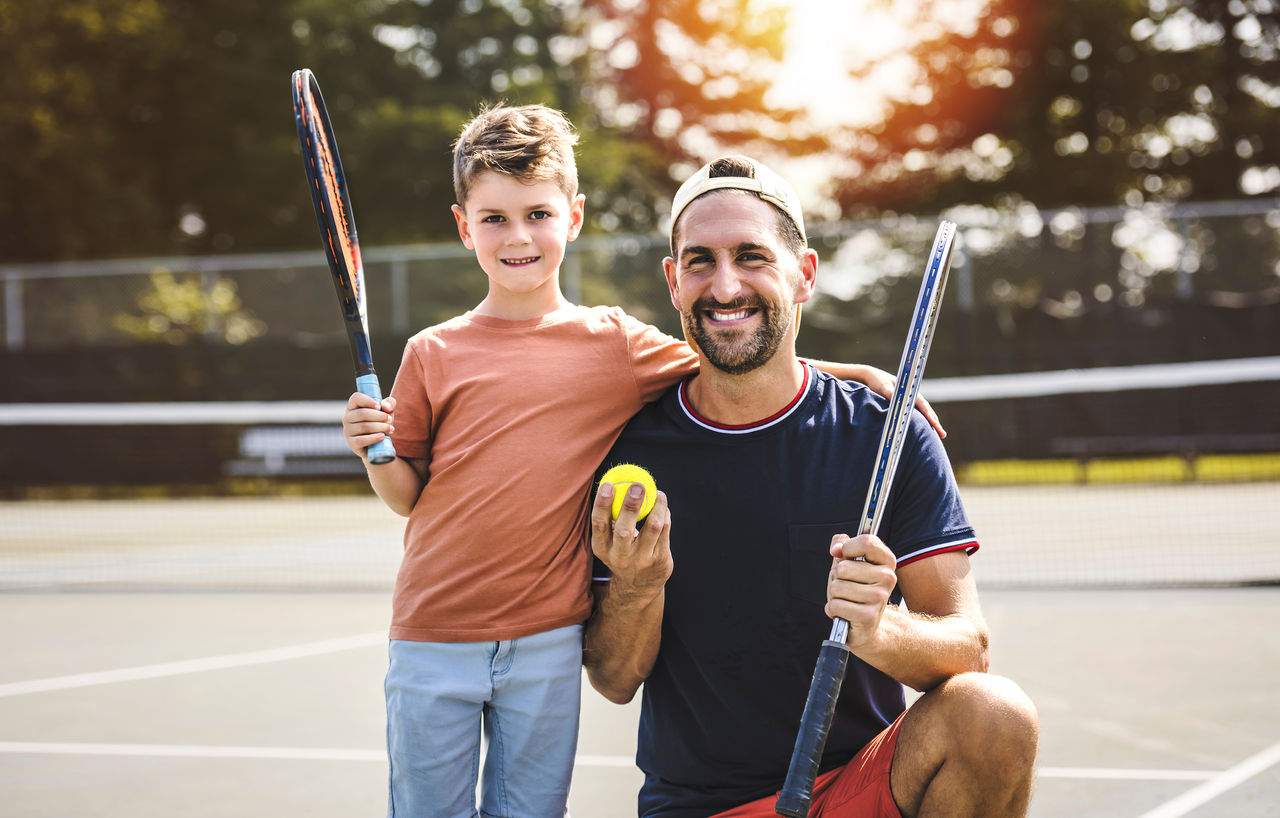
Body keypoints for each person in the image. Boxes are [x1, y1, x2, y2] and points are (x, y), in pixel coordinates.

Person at [340, 107, 937, 818]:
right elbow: (409, 495)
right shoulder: (433, 352)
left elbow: (737, 350)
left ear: (575, 216)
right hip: (432, 634)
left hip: (547, 643)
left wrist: (858, 374)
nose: (519, 235)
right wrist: (373, 449)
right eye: (494, 218)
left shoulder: (615, 344)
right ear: (465, 226)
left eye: (538, 212)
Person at [584, 156, 1040, 818]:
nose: (725, 284)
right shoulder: (629, 450)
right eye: (700, 261)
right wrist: (635, 585)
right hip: (701, 807)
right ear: (673, 282)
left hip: (861, 784)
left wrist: (879, 630)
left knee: (993, 714)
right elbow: (614, 679)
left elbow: (967, 647)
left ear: (805, 275)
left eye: (751, 256)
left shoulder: (886, 436)